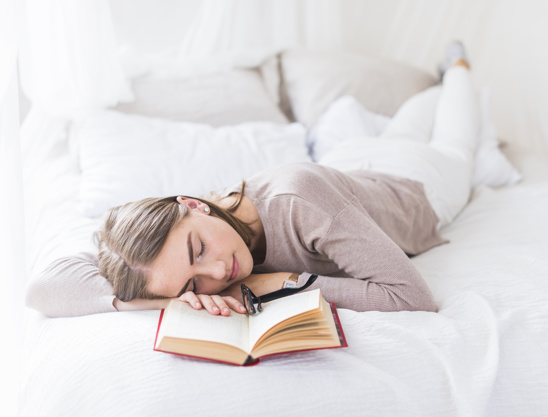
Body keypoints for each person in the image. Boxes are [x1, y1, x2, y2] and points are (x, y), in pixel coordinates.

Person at [27, 42, 480, 317]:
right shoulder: (157, 261)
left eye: (198, 249)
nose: (218, 274)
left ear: (195, 205)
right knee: (406, 123)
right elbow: (43, 291)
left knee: (455, 133)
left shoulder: (297, 198)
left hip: (419, 184)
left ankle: (457, 67)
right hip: (348, 172)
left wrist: (275, 283)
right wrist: (166, 301)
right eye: (192, 286)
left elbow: (410, 298)